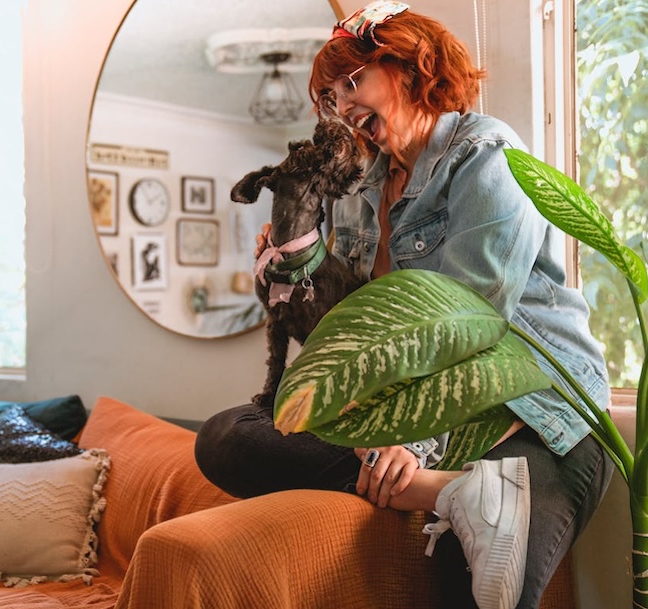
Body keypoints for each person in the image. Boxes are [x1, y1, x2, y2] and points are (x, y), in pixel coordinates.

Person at [195, 3, 614, 608]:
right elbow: (360, 334)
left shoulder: (486, 156)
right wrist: (299, 265)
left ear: (411, 66)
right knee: (227, 436)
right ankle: (444, 493)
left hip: (536, 415)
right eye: (331, 95)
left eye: (352, 82)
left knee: (472, 588)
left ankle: (441, 485)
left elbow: (471, 320)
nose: (341, 105)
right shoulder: (364, 190)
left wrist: (410, 441)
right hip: (419, 417)